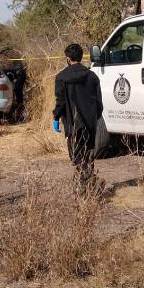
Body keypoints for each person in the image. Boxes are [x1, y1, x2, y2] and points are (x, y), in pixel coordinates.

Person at [52, 43, 104, 191]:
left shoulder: (61, 77)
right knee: (87, 157)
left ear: (68, 59)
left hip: (73, 125)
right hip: (90, 124)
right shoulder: (92, 76)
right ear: (81, 57)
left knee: (77, 158)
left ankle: (83, 189)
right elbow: (99, 104)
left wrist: (56, 117)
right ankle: (88, 186)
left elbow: (60, 102)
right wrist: (94, 118)